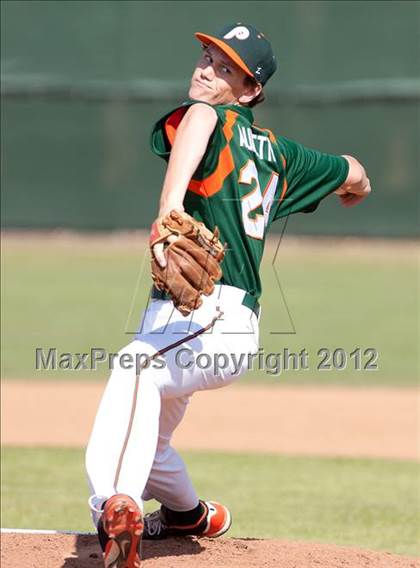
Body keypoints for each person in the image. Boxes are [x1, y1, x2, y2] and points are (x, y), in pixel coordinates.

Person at [85, 23, 371, 567]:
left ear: (249, 90)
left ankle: (113, 509)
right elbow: (353, 170)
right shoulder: (282, 154)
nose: (206, 70)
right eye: (207, 56)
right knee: (147, 433)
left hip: (215, 317)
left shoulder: (207, 116)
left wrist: (170, 208)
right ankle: (190, 515)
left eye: (225, 69)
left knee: (135, 367)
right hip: (188, 322)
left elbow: (199, 120)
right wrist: (356, 188)